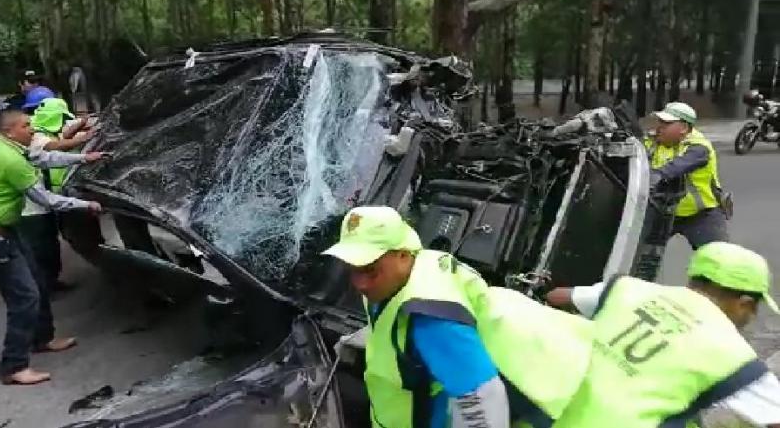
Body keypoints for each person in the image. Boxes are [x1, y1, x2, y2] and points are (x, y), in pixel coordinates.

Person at [323, 206, 597, 428]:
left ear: (403, 255)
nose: (359, 283)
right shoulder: (414, 269)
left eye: (370, 270)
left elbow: (483, 404)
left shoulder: (431, 322)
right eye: (353, 268)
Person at [545, 242, 780, 427]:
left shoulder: (627, 289)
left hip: (544, 415)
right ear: (744, 303)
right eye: (753, 309)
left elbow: (556, 297)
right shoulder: (735, 358)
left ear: (692, 280)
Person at [0, 108, 104, 385]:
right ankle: (13, 367)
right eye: (26, 126)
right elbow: (47, 199)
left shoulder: (2, 144)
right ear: (9, 131)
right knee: (24, 297)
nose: (33, 130)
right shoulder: (8, 160)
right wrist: (86, 205)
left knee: (38, 283)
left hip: (4, 230)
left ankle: (42, 339)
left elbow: (44, 157)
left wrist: (83, 158)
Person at [18, 98, 95, 292]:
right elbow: (57, 147)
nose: (31, 128)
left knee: (49, 246)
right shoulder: (34, 139)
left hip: (43, 202)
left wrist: (80, 127)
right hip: (33, 208)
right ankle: (41, 289)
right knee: (41, 249)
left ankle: (48, 282)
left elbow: (60, 140)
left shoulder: (34, 134)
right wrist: (84, 139)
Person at [645, 101, 729, 249]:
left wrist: (654, 176)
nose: (659, 127)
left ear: (684, 128)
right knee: (643, 260)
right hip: (662, 211)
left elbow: (676, 167)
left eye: (666, 123)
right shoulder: (652, 142)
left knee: (718, 259)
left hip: (701, 215)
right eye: (660, 122)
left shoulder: (699, 147)